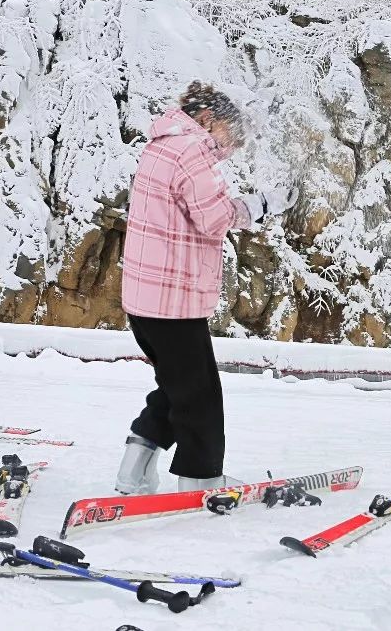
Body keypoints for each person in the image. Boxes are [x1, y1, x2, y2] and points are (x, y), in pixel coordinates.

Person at [114, 82, 297, 495]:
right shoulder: (192, 149)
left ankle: (134, 470)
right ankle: (201, 479)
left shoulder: (161, 145)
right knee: (201, 397)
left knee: (177, 385)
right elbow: (214, 219)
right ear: (209, 119)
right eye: (232, 138)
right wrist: (263, 204)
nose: (231, 149)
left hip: (146, 299)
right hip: (172, 299)